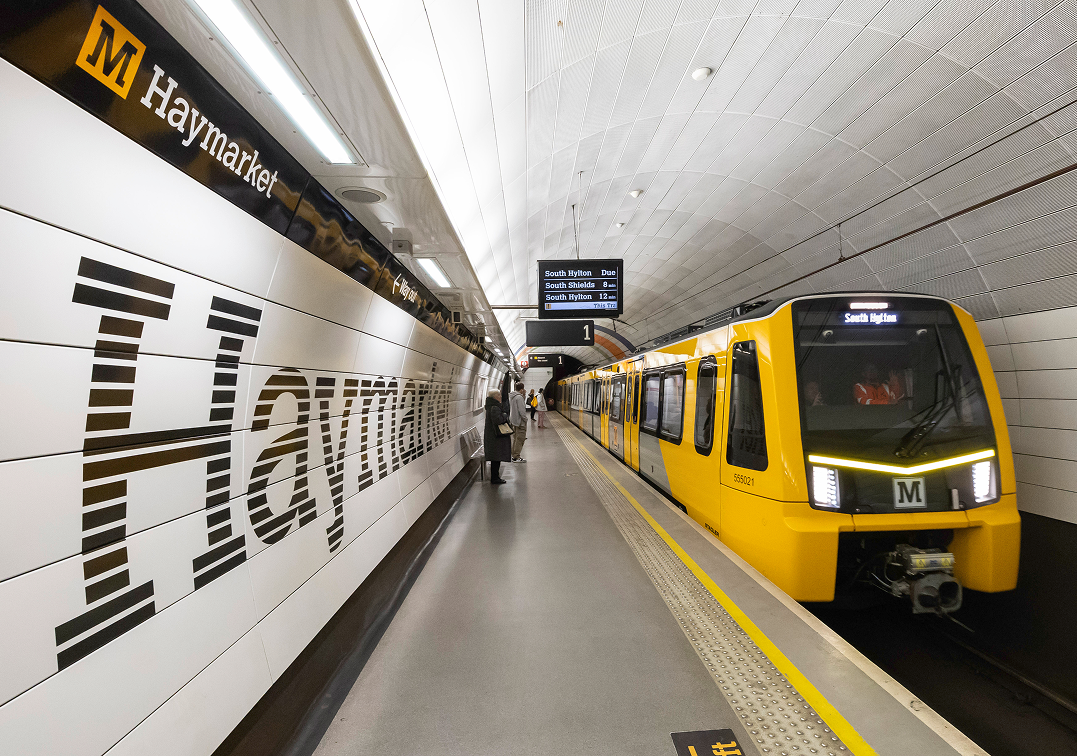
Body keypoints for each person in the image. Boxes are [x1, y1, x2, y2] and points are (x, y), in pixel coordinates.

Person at [483, 389, 511, 484]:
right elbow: (498, 420)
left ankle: (495, 477)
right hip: (495, 437)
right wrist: (505, 415)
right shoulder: (495, 407)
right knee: (496, 458)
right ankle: (495, 478)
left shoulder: (491, 406)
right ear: (495, 397)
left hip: (493, 436)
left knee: (496, 457)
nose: (500, 397)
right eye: (499, 395)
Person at [509, 381, 528, 462]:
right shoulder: (519, 398)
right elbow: (522, 411)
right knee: (520, 439)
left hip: (514, 421)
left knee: (516, 439)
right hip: (520, 422)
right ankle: (516, 457)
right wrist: (525, 419)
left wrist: (524, 395)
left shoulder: (513, 396)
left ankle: (513, 455)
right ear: (522, 389)